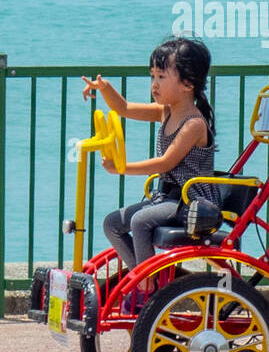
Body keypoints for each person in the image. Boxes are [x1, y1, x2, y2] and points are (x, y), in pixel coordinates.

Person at [84, 37, 217, 305]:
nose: (154, 84)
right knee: (112, 223)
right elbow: (124, 109)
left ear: (187, 84)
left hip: (191, 203)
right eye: (152, 75)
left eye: (162, 76)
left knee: (140, 221)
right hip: (167, 198)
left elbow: (164, 163)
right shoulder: (166, 112)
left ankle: (145, 290)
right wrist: (105, 88)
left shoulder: (193, 123)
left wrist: (121, 168)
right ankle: (147, 278)